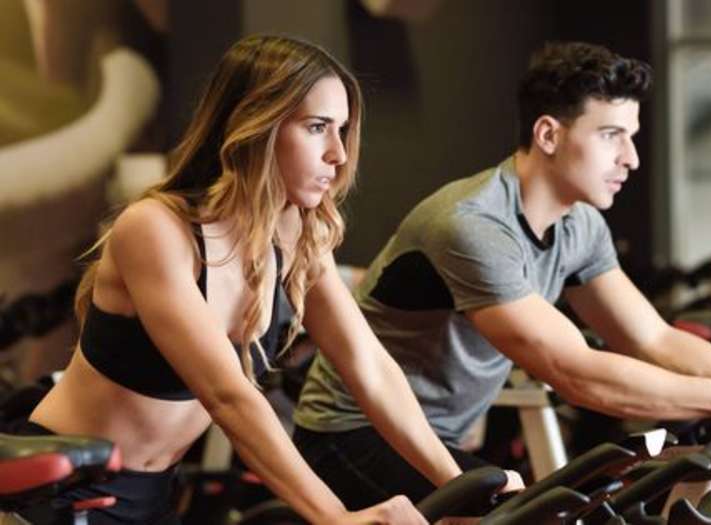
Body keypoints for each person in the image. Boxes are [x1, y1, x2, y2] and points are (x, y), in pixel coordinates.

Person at [293, 41, 711, 508]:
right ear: (549, 135)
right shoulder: (471, 225)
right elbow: (573, 372)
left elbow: (653, 339)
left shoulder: (581, 226)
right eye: (611, 135)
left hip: (432, 437)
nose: (631, 158)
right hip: (349, 436)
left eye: (632, 136)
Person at [20, 34, 485, 525]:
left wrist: (459, 483)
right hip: (62, 492)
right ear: (255, 125)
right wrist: (335, 517)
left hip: (155, 496)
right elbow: (227, 395)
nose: (338, 154)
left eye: (342, 130)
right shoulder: (157, 230)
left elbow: (368, 365)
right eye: (317, 127)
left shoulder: (298, 238)